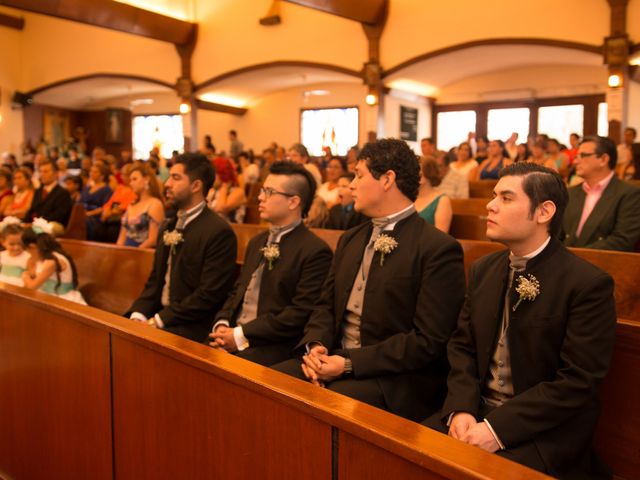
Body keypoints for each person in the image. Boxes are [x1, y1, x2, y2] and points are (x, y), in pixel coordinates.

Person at [427, 162, 616, 478]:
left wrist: (495, 429)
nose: (491, 205)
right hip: (474, 412)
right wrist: (460, 408)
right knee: (404, 453)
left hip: (543, 431)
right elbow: (462, 347)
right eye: (493, 195)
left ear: (544, 212)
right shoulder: (484, 269)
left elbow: (576, 382)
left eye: (506, 197)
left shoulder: (586, 283)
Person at [273, 139, 465, 422]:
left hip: (394, 378)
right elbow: (325, 306)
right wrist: (316, 346)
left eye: (359, 175)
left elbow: (428, 341)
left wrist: (349, 364)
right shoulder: (351, 238)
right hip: (335, 358)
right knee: (271, 381)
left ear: (387, 179)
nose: (351, 185)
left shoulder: (437, 247)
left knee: (327, 406)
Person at [209, 161, 333, 366]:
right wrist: (222, 324)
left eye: (269, 192)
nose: (259, 197)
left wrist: (240, 335)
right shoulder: (257, 241)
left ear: (293, 202)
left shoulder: (314, 251)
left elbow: (297, 314)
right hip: (234, 335)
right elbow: (238, 291)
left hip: (271, 346)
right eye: (262, 190)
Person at [126, 153, 237, 342]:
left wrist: (158, 321)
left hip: (192, 325)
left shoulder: (218, 232)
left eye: (175, 178)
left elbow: (207, 296)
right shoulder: (169, 225)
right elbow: (155, 282)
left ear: (196, 186)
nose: (167, 183)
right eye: (169, 177)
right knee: (116, 331)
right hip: (161, 316)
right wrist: (138, 315)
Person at [562, 135, 640, 252]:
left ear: (603, 159)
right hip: (565, 262)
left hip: (604, 264)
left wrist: (576, 257)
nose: (576, 161)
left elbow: (622, 240)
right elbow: (557, 234)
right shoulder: (570, 192)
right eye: (576, 156)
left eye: (583, 155)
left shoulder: (629, 194)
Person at [20, 222, 87, 305]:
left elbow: (31, 287)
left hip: (62, 299)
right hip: (48, 296)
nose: (28, 254)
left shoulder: (52, 261)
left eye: (27, 250)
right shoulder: (41, 258)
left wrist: (24, 276)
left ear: (33, 246)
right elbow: (32, 276)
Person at [116, 164, 164, 248]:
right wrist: (118, 251)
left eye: (134, 179)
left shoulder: (155, 204)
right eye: (130, 180)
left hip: (143, 253)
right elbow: (122, 236)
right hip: (126, 251)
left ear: (146, 179)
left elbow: (153, 239)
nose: (131, 183)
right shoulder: (132, 204)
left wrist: (135, 252)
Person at [26, 161, 73, 233]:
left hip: (53, 225)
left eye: (46, 172)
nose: (42, 174)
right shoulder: (38, 191)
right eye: (41, 172)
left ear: (55, 174)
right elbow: (32, 210)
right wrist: (25, 222)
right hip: (36, 223)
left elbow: (59, 215)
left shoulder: (63, 193)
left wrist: (37, 223)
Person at [415, 158, 452, 233]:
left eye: (419, 170)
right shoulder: (408, 197)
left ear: (429, 172)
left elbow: (441, 236)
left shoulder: (442, 200)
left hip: (429, 243)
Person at [207, 157, 247, 223]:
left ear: (223, 174)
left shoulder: (238, 192)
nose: (209, 177)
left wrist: (224, 187)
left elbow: (220, 208)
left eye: (213, 173)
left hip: (233, 230)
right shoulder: (213, 191)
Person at [82, 163, 113, 241]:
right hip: (83, 213)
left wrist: (89, 214)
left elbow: (104, 207)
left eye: (95, 172)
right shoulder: (87, 187)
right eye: (91, 171)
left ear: (102, 175)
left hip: (95, 217)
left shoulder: (107, 189)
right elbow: (80, 202)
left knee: (87, 222)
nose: (92, 173)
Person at [0, 221, 29, 286]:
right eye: (12, 244)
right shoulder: (2, 255)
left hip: (18, 288)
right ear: (3, 242)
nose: (16, 247)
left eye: (20, 243)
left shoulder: (28, 257)